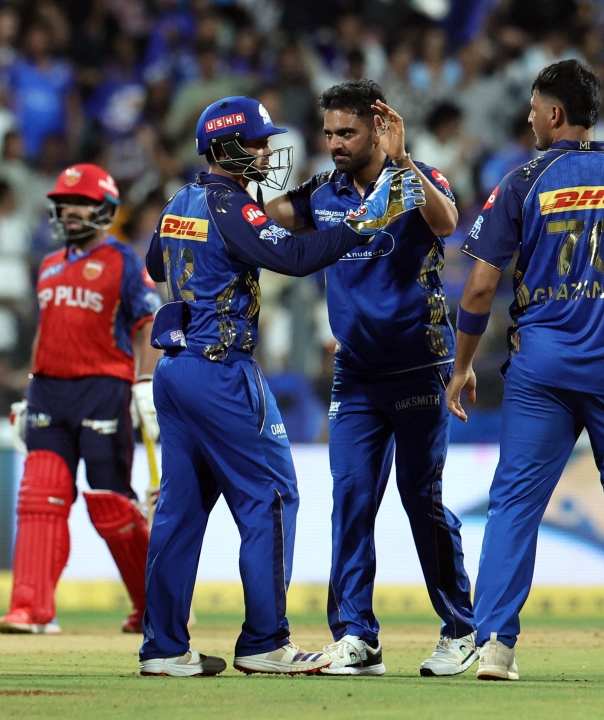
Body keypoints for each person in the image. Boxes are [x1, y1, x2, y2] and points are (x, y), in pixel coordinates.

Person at [139, 95, 425, 677]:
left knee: (179, 511)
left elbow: (154, 265)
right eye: (256, 143)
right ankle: (265, 642)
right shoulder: (229, 204)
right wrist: (363, 221)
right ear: (225, 148)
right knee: (270, 497)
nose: (268, 153)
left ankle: (164, 648)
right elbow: (293, 258)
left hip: (175, 371)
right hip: (221, 369)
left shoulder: (178, 201)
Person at [446, 60, 604, 682]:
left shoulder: (523, 182)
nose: (529, 118)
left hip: (543, 374)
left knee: (514, 504)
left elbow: (479, 289)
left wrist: (462, 366)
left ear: (555, 114)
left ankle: (495, 646)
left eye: (534, 108)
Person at [265, 79, 477, 677]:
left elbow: (446, 222)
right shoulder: (322, 192)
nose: (335, 143)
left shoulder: (415, 179)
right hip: (355, 374)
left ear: (379, 128)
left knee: (421, 500)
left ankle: (462, 629)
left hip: (419, 367)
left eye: (347, 132)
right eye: (328, 132)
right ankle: (358, 636)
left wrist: (405, 161)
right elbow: (266, 220)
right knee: (351, 500)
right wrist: (231, 187)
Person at [0, 163, 163, 635]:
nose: (71, 211)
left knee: (111, 504)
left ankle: (156, 607)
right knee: (39, 497)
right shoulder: (49, 264)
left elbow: (149, 324)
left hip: (103, 390)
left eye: (83, 204)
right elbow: (46, 330)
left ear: (105, 210)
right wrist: (30, 390)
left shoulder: (125, 261)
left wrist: (145, 384)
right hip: (49, 392)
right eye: (65, 203)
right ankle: (31, 609)